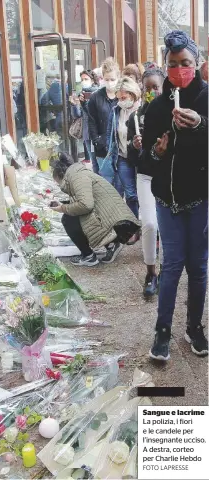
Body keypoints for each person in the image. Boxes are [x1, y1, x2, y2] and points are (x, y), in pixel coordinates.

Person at [141, 30, 208, 360]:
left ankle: (194, 327)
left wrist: (200, 126)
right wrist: (156, 150)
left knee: (198, 267)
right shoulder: (155, 108)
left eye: (185, 63)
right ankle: (162, 330)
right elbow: (146, 161)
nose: (179, 69)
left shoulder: (207, 98)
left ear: (196, 64)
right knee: (172, 266)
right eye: (172, 64)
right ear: (165, 66)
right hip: (167, 200)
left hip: (200, 198)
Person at [50, 153, 141, 266]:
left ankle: (89, 256)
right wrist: (63, 204)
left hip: (115, 219)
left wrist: (62, 208)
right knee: (73, 214)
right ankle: (112, 244)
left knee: (68, 220)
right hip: (112, 215)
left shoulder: (77, 178)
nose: (59, 185)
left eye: (57, 182)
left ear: (60, 176)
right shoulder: (77, 173)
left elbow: (86, 205)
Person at [127, 67, 165, 297]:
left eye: (155, 87)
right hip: (146, 176)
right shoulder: (135, 116)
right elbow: (131, 159)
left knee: (170, 229)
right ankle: (150, 272)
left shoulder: (174, 113)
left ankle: (169, 271)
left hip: (170, 177)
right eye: (147, 87)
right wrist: (135, 146)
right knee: (149, 224)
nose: (151, 91)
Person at [105, 77, 140, 235]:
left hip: (140, 158)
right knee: (130, 194)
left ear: (132, 94)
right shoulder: (117, 111)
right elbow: (111, 133)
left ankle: (148, 227)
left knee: (142, 194)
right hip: (122, 157)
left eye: (123, 97)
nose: (120, 101)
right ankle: (134, 229)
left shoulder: (142, 110)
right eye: (118, 98)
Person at [88, 57, 121, 177]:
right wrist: (97, 141)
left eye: (113, 79)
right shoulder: (95, 97)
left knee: (120, 183)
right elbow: (91, 121)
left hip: (121, 147)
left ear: (118, 78)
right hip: (102, 147)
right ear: (102, 78)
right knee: (106, 180)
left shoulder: (122, 95)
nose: (110, 82)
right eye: (107, 79)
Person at [69, 70, 99, 172]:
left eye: (86, 79)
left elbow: (95, 113)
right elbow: (78, 115)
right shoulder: (82, 94)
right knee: (93, 163)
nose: (83, 81)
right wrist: (74, 104)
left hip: (97, 133)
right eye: (82, 79)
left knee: (98, 161)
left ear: (93, 80)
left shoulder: (99, 93)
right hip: (87, 133)